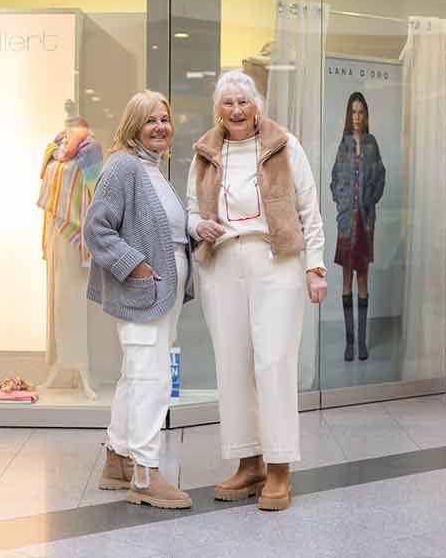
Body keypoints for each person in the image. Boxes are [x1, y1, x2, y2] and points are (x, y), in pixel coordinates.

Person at [187, 70, 326, 512]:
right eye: (227, 103)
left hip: (276, 261)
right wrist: (197, 225)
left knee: (274, 360)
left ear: (256, 106)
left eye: (242, 102)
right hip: (223, 262)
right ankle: (250, 461)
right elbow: (191, 208)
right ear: (218, 109)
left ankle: (280, 467)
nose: (235, 110)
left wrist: (316, 266)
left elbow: (309, 206)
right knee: (233, 362)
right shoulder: (206, 151)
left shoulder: (284, 145)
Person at [85, 89, 194, 510]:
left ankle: (117, 459)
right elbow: (97, 229)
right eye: (151, 120)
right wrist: (136, 266)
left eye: (165, 119)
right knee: (152, 380)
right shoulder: (123, 167)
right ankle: (145, 474)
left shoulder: (152, 170)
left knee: (137, 375)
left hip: (160, 294)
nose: (160, 127)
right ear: (133, 126)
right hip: (142, 290)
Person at [330, 92, 386, 361]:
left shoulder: (373, 144)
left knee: (362, 277)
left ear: (366, 115)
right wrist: (343, 205)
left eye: (360, 112)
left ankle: (362, 343)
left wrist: (368, 201)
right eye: (353, 112)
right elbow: (334, 180)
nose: (356, 117)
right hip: (346, 223)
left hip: (365, 221)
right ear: (348, 115)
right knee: (346, 280)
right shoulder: (343, 144)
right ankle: (349, 343)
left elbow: (380, 179)